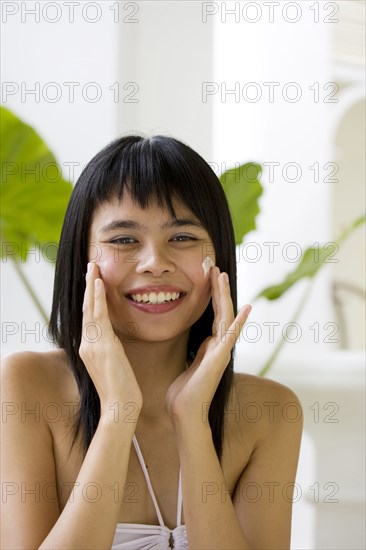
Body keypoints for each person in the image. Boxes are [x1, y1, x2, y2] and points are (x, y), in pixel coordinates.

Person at [1, 135, 303, 549]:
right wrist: (118, 414)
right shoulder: (27, 385)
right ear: (81, 261)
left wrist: (192, 419)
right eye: (123, 240)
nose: (154, 263)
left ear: (218, 258)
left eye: (182, 238)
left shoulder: (270, 412)